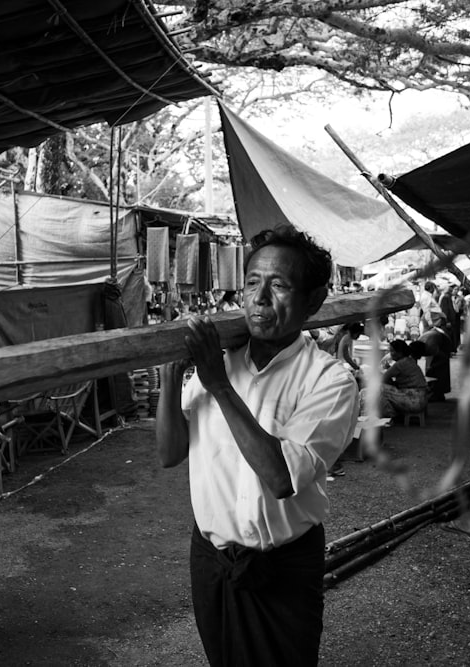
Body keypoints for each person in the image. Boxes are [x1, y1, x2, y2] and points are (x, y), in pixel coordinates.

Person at [156, 224, 359, 666]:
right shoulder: (222, 360)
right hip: (212, 561)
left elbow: (281, 478)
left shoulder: (329, 380)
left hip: (282, 569)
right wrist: (170, 380)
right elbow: (170, 454)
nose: (260, 298)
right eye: (252, 282)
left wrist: (219, 384)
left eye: (279, 285)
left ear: (313, 301)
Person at [376, 340, 429, 419]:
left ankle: (391, 415)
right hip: (421, 399)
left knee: (379, 389)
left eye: (392, 351)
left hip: (414, 401)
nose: (391, 353)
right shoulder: (409, 360)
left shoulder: (400, 364)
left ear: (400, 352)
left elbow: (383, 378)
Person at [418, 313, 454, 401]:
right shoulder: (424, 342)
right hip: (439, 343)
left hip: (442, 345)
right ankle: (438, 393)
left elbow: (441, 356)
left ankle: (437, 394)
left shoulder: (430, 346)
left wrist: (432, 366)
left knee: (435, 371)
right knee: (435, 371)